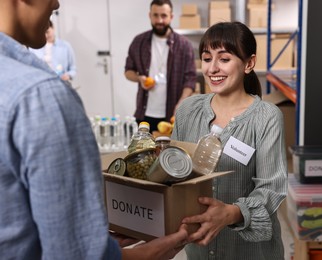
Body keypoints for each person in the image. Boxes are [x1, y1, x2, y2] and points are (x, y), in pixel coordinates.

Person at [0, 0, 188, 259]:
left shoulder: (184, 47)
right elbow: (76, 254)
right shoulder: (40, 96)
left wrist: (97, 243)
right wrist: (146, 254)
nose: (56, 4)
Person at [171, 21, 288, 259]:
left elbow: (271, 187)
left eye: (224, 59)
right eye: (206, 58)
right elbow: (175, 174)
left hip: (249, 251)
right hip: (200, 248)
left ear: (249, 63)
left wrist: (232, 213)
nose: (212, 68)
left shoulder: (266, 117)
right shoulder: (188, 110)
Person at [124, 0, 197, 132]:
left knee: (170, 152)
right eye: (155, 15)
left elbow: (190, 80)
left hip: (173, 114)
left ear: (171, 17)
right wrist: (139, 79)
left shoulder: (184, 45)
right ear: (149, 15)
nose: (159, 20)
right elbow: (128, 71)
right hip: (144, 113)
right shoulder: (139, 41)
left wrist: (181, 103)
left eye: (164, 16)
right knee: (144, 151)